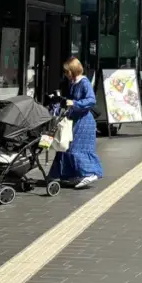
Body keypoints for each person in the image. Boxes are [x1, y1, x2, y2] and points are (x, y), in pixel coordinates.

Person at [49, 57, 102, 190]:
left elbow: (91, 100)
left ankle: (90, 173)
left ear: (73, 70)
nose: (66, 74)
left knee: (76, 148)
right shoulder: (71, 82)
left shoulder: (84, 82)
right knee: (66, 147)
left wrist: (74, 103)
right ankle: (70, 175)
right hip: (75, 119)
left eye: (67, 71)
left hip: (84, 121)